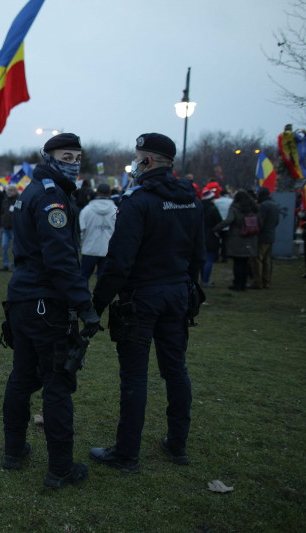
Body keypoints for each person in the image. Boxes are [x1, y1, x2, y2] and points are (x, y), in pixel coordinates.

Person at [90, 133, 204, 473]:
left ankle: (126, 453)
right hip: (177, 294)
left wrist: (95, 305)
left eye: (135, 159)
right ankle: (177, 443)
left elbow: (118, 262)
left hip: (142, 299)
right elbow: (199, 253)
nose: (133, 166)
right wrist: (189, 288)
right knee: (176, 371)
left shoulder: (139, 201)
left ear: (147, 162)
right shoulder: (190, 198)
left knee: (135, 379)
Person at [2, 133, 100, 489]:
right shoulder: (52, 195)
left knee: (22, 378)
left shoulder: (34, 188)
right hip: (44, 303)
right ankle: (60, 468)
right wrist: (84, 306)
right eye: (65, 155)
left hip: (23, 299)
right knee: (56, 385)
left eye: (77, 156)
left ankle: (14, 451)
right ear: (49, 156)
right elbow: (59, 259)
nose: (72, 162)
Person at [213, 190, 258, 291]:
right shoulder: (253, 208)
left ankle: (237, 284)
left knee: (237, 263)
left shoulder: (235, 208)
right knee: (245, 263)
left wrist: (217, 228)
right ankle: (243, 284)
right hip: (250, 237)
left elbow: (229, 220)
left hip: (237, 237)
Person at [78, 183, 117, 281]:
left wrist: (82, 244)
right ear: (109, 193)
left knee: (83, 278)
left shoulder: (87, 210)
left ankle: (83, 296)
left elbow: (81, 231)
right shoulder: (115, 210)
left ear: (97, 193)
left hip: (89, 249)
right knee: (104, 280)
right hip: (107, 250)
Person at [249, 186, 280, 289]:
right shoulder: (275, 204)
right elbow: (276, 222)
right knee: (267, 260)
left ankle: (258, 282)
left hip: (261, 236)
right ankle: (266, 281)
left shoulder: (263, 206)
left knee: (257, 260)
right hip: (271, 235)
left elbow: (260, 222)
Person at [200, 190, 222, 287]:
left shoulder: (199, 207)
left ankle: (200, 279)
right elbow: (219, 221)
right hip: (211, 235)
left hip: (199, 235)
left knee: (201, 259)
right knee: (209, 259)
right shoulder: (212, 208)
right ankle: (205, 280)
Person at [0, 184, 19, 271]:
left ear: (15, 191)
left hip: (14, 229)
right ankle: (5, 265)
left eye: (11, 190)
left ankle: (15, 265)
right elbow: (2, 212)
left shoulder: (18, 201)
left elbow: (20, 214)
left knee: (15, 248)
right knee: (4, 246)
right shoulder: (5, 201)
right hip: (5, 228)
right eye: (8, 190)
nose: (8, 192)